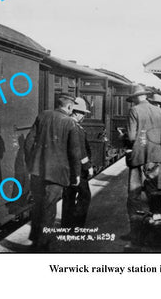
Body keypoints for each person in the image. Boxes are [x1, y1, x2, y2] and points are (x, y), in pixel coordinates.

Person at [24, 93, 81, 251]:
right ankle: (42, 246)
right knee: (49, 209)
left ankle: (35, 239)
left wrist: (31, 163)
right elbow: (75, 153)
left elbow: (29, 142)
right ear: (69, 107)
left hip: (37, 171)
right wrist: (76, 174)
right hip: (56, 174)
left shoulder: (43, 115)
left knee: (37, 205)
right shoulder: (70, 123)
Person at [123, 85, 161, 241]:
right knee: (154, 194)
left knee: (134, 195)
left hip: (138, 157)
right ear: (145, 96)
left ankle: (136, 232)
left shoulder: (134, 111)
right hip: (155, 157)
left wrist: (122, 136)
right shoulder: (158, 111)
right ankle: (157, 227)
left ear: (136, 98)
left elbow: (130, 137)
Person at [62, 97, 94, 228]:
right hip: (79, 169)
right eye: (83, 113)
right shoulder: (77, 128)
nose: (83, 116)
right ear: (76, 112)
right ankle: (77, 225)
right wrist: (88, 167)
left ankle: (66, 224)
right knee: (85, 196)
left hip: (67, 167)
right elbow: (81, 151)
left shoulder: (65, 124)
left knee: (69, 195)